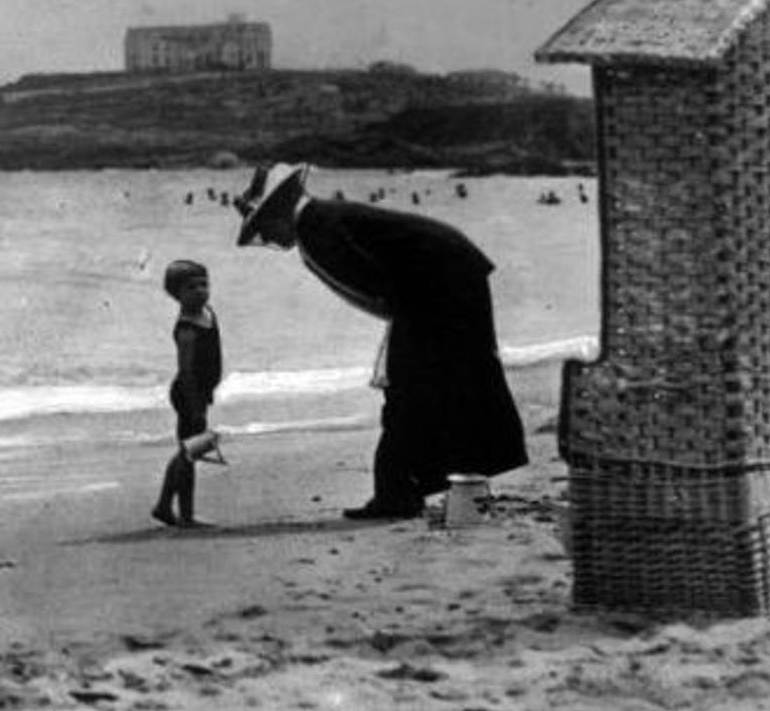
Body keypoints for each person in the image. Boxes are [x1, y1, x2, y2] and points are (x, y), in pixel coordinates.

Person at [233, 162, 526, 519]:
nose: (270, 238)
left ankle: (399, 495)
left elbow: (377, 285)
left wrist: (403, 344)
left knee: (409, 388)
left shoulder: (316, 227)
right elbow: (381, 285)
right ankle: (416, 488)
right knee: (441, 381)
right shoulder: (318, 220)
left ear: (279, 211)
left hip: (441, 282)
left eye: (264, 226)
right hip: (447, 275)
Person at [153, 260, 224, 528]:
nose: (200, 291)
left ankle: (172, 509)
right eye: (191, 287)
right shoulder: (186, 327)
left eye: (204, 284)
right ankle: (178, 511)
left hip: (201, 393)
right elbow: (186, 371)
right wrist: (195, 405)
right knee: (190, 452)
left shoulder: (208, 312)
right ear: (176, 295)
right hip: (188, 393)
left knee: (190, 451)